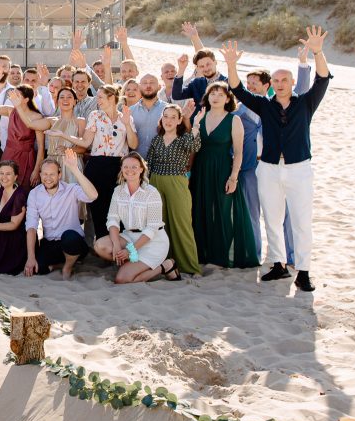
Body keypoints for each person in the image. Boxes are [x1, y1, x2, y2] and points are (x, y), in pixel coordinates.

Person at [224, 29, 331, 292]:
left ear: (292, 82)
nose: (280, 83)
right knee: (272, 218)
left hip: (299, 169)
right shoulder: (264, 105)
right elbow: (237, 89)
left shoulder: (306, 103)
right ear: (271, 83)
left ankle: (303, 271)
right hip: (269, 169)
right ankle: (278, 265)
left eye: (285, 79)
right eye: (276, 80)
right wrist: (230, 65)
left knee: (301, 220)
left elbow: (323, 79)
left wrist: (317, 52)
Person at [237, 62, 310, 262]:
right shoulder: (238, 111)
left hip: (279, 166)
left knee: (286, 215)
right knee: (256, 214)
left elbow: (302, 89)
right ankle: (256, 255)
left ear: (265, 85)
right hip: (251, 168)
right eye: (248, 83)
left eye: (254, 83)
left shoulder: (276, 105)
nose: (250, 86)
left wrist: (303, 64)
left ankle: (292, 257)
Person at [48, 85, 138, 239]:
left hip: (119, 167)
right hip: (97, 165)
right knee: (99, 208)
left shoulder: (126, 117)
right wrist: (63, 135)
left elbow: (134, 145)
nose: (98, 100)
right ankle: (103, 245)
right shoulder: (95, 116)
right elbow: (85, 142)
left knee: (120, 206)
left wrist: (127, 124)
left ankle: (121, 246)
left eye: (101, 97)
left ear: (111, 98)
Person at [188, 82, 259, 269]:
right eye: (212, 93)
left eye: (220, 94)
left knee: (222, 211)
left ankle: (220, 255)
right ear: (207, 96)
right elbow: (192, 146)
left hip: (222, 170)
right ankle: (203, 252)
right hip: (201, 169)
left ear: (228, 98)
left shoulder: (233, 120)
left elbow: (238, 152)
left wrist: (233, 177)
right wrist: (195, 124)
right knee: (200, 209)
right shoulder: (200, 116)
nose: (216, 97)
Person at [93, 152, 180, 283]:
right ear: (121, 169)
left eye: (134, 167)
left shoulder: (151, 192)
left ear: (141, 169)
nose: (130, 170)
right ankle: (131, 264)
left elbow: (152, 228)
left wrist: (130, 250)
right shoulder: (118, 191)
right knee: (100, 245)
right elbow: (112, 219)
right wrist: (116, 244)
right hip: (129, 236)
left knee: (122, 280)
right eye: (126, 167)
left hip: (152, 242)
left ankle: (165, 266)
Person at [145, 103, 202, 275]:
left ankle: (189, 266)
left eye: (173, 117)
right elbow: (149, 163)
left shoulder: (184, 138)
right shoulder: (156, 139)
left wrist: (196, 124)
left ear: (179, 121)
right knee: (159, 224)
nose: (168, 120)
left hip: (177, 182)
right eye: (165, 116)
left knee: (181, 223)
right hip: (155, 181)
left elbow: (195, 147)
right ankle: (164, 262)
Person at [24, 151, 98, 279]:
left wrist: (75, 169)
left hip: (73, 242)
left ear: (59, 175)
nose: (48, 178)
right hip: (50, 242)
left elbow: (93, 195)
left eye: (52, 174)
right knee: (39, 268)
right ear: (40, 175)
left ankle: (67, 267)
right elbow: (31, 226)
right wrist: (30, 258)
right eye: (45, 174)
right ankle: (60, 264)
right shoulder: (34, 194)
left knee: (70, 238)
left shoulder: (71, 189)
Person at [0, 74, 46, 194]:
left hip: (26, 158)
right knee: (6, 189)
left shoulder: (37, 117)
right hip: (9, 155)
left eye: (17, 95)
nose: (12, 96)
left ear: (26, 100)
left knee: (24, 192)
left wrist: (36, 170)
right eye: (12, 93)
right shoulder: (10, 110)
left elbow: (41, 147)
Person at [130, 74, 167, 157]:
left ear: (159, 87)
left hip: (161, 163)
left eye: (152, 82)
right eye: (145, 83)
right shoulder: (130, 111)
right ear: (139, 87)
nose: (148, 85)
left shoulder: (168, 109)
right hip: (137, 164)